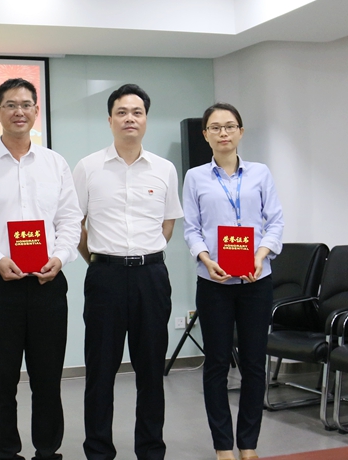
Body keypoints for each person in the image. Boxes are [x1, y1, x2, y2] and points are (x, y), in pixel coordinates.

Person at [0, 78, 82, 460]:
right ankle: (5, 453)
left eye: (26, 104)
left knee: (48, 378)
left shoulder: (55, 164)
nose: (18, 111)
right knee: (1, 379)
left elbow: (70, 219)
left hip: (47, 283)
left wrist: (60, 256)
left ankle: (47, 451)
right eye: (10, 105)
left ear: (36, 111)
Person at [72, 84, 183, 460]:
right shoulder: (88, 167)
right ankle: (98, 451)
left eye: (137, 112)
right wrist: (99, 261)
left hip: (151, 277)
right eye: (122, 112)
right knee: (100, 371)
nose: (129, 118)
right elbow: (76, 225)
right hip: (105, 276)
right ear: (110, 120)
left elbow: (167, 224)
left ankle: (151, 450)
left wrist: (144, 255)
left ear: (146, 119)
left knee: (151, 370)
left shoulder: (164, 169)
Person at [183, 103, 283, 460]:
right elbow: (191, 228)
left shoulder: (260, 173)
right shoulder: (195, 177)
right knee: (216, 364)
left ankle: (248, 444)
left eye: (229, 126)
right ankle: (223, 445)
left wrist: (260, 255)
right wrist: (205, 259)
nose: (223, 133)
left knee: (254, 363)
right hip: (214, 284)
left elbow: (275, 222)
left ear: (240, 131)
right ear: (205, 135)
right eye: (215, 127)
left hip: (257, 281)